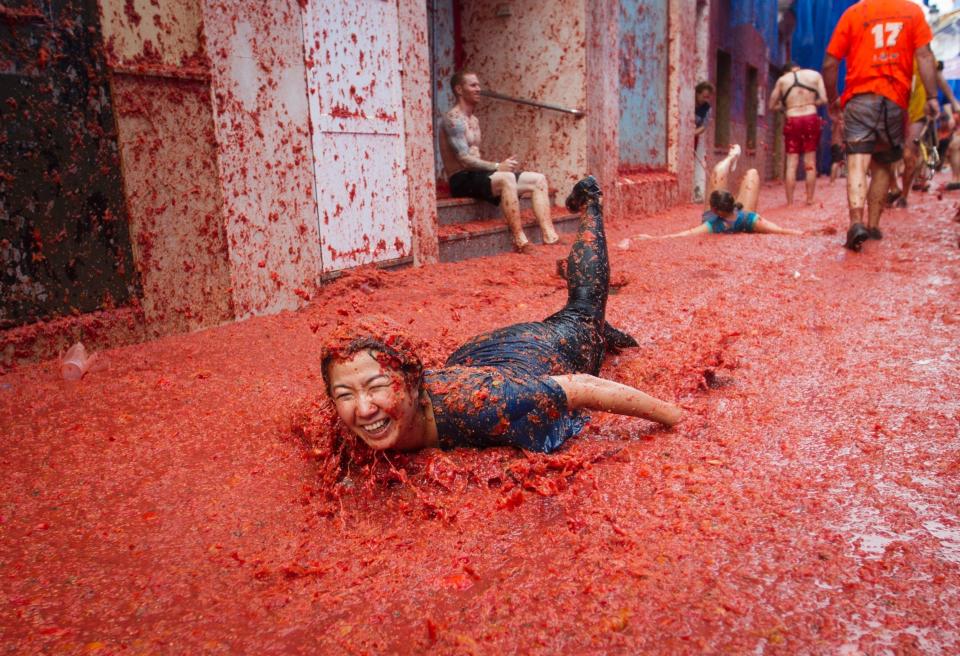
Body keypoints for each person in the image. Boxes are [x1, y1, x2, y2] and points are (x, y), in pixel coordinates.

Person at [321, 177, 682, 454]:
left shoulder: (484, 404)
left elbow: (579, 387)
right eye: (345, 394)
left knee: (583, 314)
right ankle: (600, 333)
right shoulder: (346, 420)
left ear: (414, 382)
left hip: (534, 352)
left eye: (378, 387)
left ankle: (590, 202)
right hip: (475, 356)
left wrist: (672, 416)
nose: (364, 408)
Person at [823, 0, 938, 251]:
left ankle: (856, 221)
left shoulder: (854, 14)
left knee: (857, 161)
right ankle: (873, 225)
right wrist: (931, 96)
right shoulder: (912, 12)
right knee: (884, 163)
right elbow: (925, 55)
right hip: (895, 100)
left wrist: (833, 100)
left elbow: (830, 63)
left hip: (859, 98)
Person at [439, 71, 560, 254]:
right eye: (473, 85)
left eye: (478, 85)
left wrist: (499, 168)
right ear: (459, 89)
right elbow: (463, 159)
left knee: (538, 180)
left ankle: (551, 237)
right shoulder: (453, 119)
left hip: (478, 176)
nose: (478, 89)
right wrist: (497, 167)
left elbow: (475, 157)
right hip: (461, 178)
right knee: (506, 178)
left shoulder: (474, 120)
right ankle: (520, 241)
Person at [618, 145, 803, 245]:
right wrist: (805, 233)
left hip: (731, 215)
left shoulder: (712, 224)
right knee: (753, 173)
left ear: (713, 209)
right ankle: (732, 157)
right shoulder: (750, 218)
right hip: (742, 215)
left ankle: (731, 157)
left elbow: (683, 234)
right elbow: (779, 230)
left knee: (718, 173)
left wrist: (653, 239)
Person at [887, 60, 960, 207]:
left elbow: (938, 76)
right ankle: (894, 187)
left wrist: (953, 102)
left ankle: (904, 195)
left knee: (910, 154)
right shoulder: (893, 53)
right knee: (887, 154)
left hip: (918, 112)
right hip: (893, 108)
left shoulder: (925, 56)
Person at [769, 62, 828, 206]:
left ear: (785, 72)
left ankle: (790, 202)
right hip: (810, 117)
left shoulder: (783, 80)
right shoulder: (815, 75)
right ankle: (809, 199)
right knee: (810, 162)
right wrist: (812, 103)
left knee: (791, 164)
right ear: (798, 67)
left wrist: (786, 106)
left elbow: (772, 105)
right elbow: (824, 99)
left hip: (792, 118)